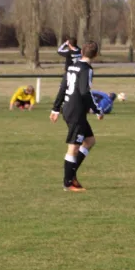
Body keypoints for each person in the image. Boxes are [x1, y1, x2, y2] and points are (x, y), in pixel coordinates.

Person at [51, 41, 103, 192]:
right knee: (73, 147)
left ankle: (71, 174)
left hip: (69, 108)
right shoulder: (87, 69)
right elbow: (84, 92)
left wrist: (55, 108)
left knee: (89, 141)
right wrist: (97, 109)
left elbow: (63, 87)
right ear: (96, 55)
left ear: (81, 53)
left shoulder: (72, 66)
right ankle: (68, 183)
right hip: (76, 111)